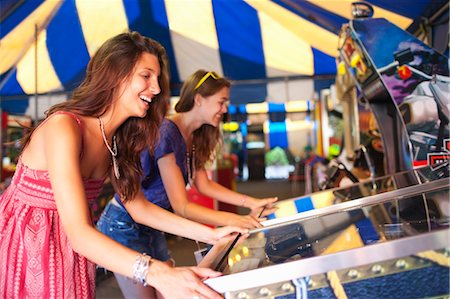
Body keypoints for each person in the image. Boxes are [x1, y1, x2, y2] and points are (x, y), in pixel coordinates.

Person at [0, 32, 247, 299]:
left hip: (71, 250)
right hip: (24, 249)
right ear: (115, 74)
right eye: (146, 76)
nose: (156, 89)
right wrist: (157, 272)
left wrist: (213, 235)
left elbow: (138, 207)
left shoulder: (117, 139)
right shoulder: (65, 127)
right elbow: (80, 233)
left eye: (157, 78)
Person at [98, 69, 278, 298]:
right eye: (221, 102)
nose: (224, 110)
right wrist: (236, 221)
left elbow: (204, 186)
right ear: (199, 98)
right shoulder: (167, 132)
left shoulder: (195, 135)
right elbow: (181, 205)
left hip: (153, 224)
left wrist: (251, 202)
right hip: (124, 224)